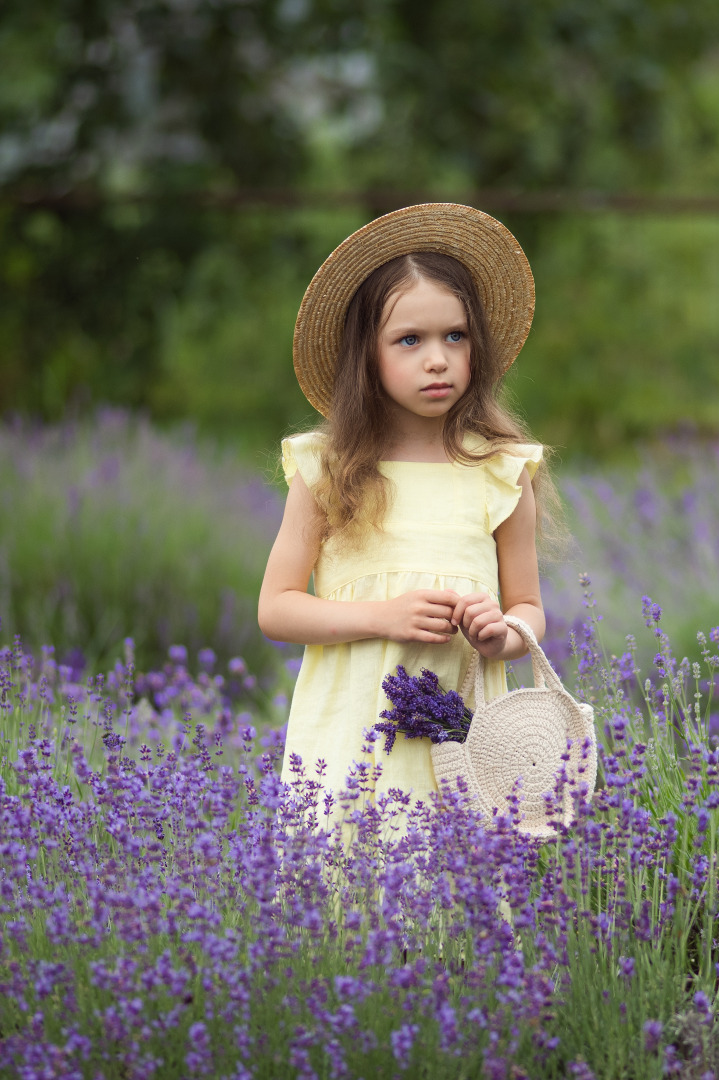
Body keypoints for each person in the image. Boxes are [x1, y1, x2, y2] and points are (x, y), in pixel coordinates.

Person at [258, 203, 555, 833]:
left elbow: (528, 606)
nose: (438, 359)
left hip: (460, 735)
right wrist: (382, 617)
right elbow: (277, 608)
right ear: (366, 355)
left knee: (455, 905)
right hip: (349, 735)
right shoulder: (329, 470)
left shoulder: (500, 473)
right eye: (409, 340)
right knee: (343, 898)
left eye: (456, 336)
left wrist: (498, 633)